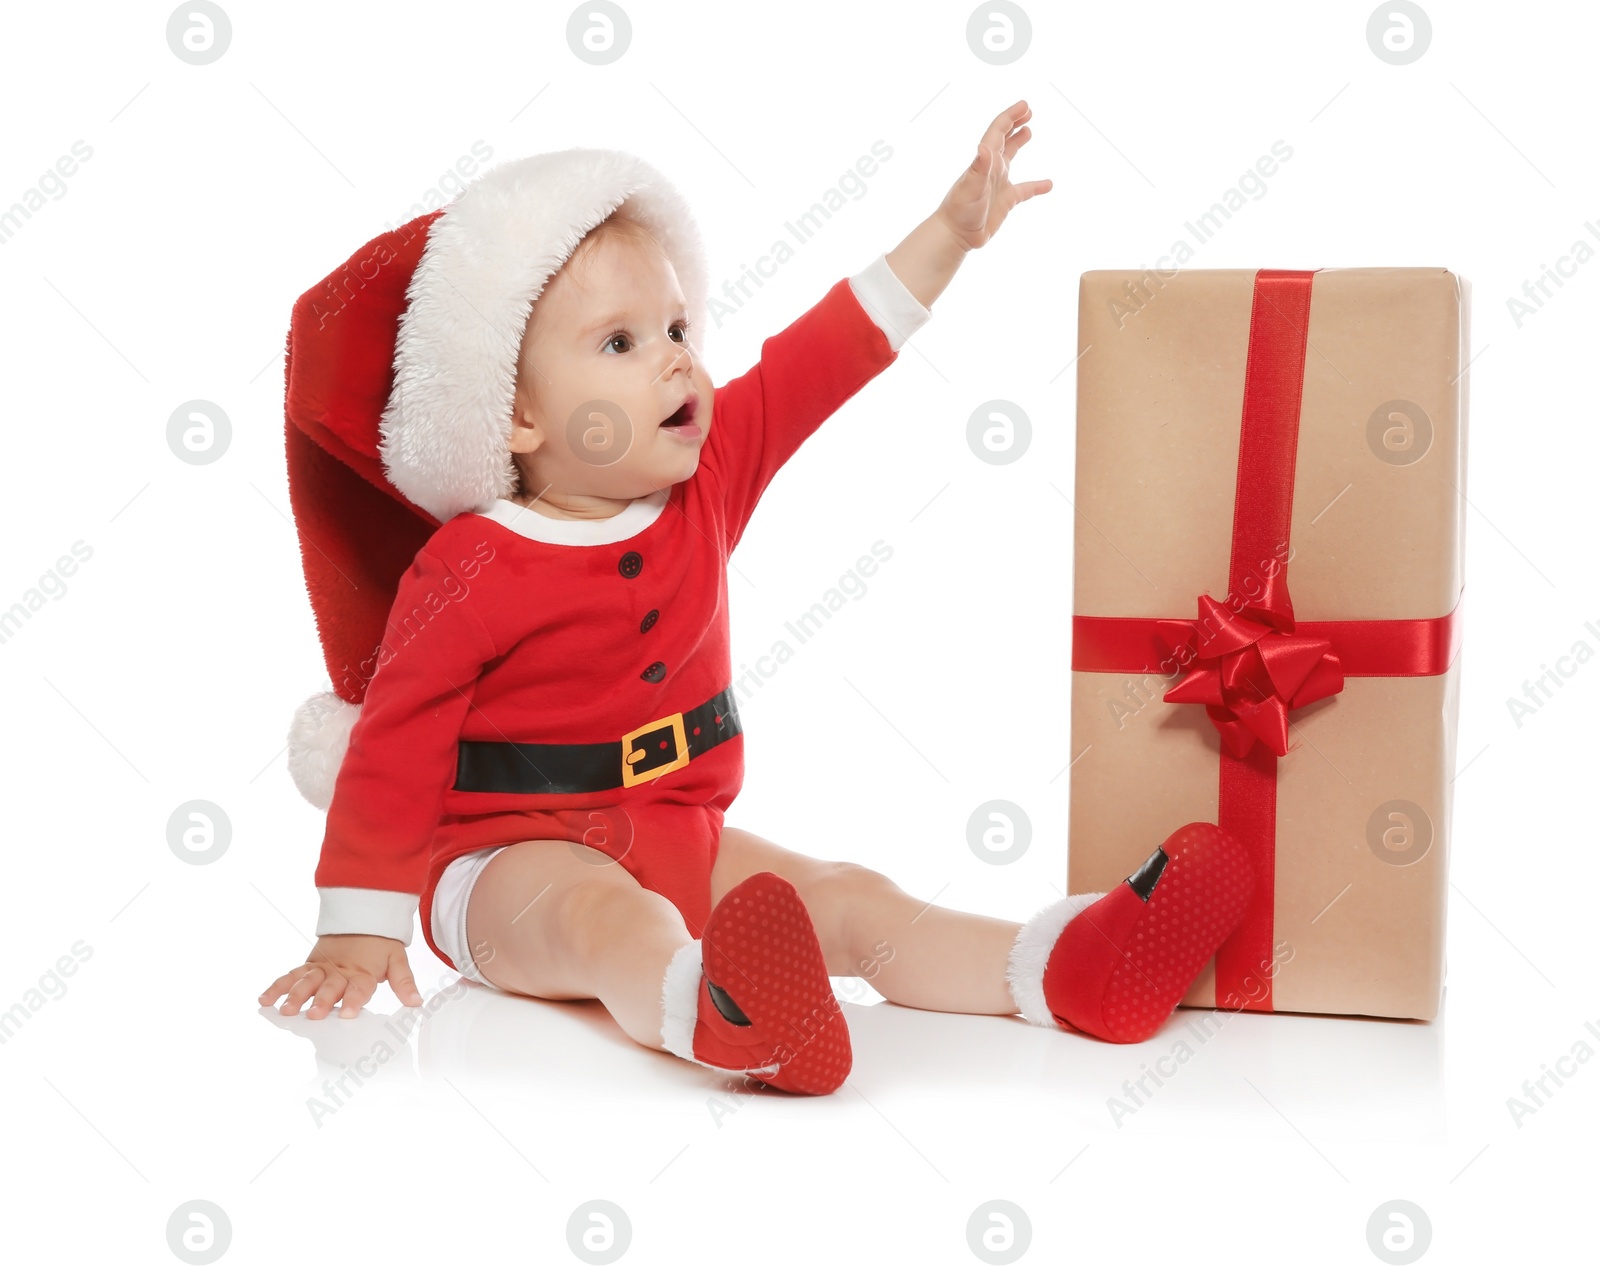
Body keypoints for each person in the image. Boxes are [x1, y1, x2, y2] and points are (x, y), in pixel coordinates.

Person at [259, 101, 1254, 1096]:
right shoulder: (469, 566)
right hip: (500, 867)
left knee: (847, 897)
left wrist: (949, 234)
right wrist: (357, 927)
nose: (674, 356)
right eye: (618, 343)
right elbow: (396, 742)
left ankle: (1065, 968)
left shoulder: (710, 474)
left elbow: (825, 353)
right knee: (602, 919)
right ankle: (727, 1019)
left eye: (678, 326)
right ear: (513, 415)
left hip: (674, 832)